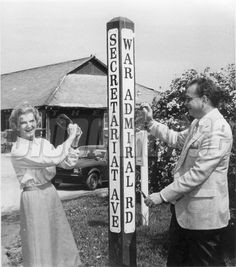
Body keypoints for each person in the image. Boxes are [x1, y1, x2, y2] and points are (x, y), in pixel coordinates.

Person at [141, 77, 233, 266]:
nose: (185, 104)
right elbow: (175, 138)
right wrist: (151, 124)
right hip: (185, 216)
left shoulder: (218, 129)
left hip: (205, 221)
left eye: (188, 99)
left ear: (204, 99)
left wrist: (162, 195)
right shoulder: (198, 124)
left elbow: (198, 174)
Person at [10, 103, 83, 267]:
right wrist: (69, 137)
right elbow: (53, 159)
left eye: (32, 121)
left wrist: (74, 142)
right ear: (16, 125)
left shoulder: (42, 143)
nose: (29, 126)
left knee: (57, 239)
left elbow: (67, 163)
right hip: (33, 197)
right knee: (39, 243)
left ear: (36, 121)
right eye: (23, 122)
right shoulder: (18, 150)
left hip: (50, 193)